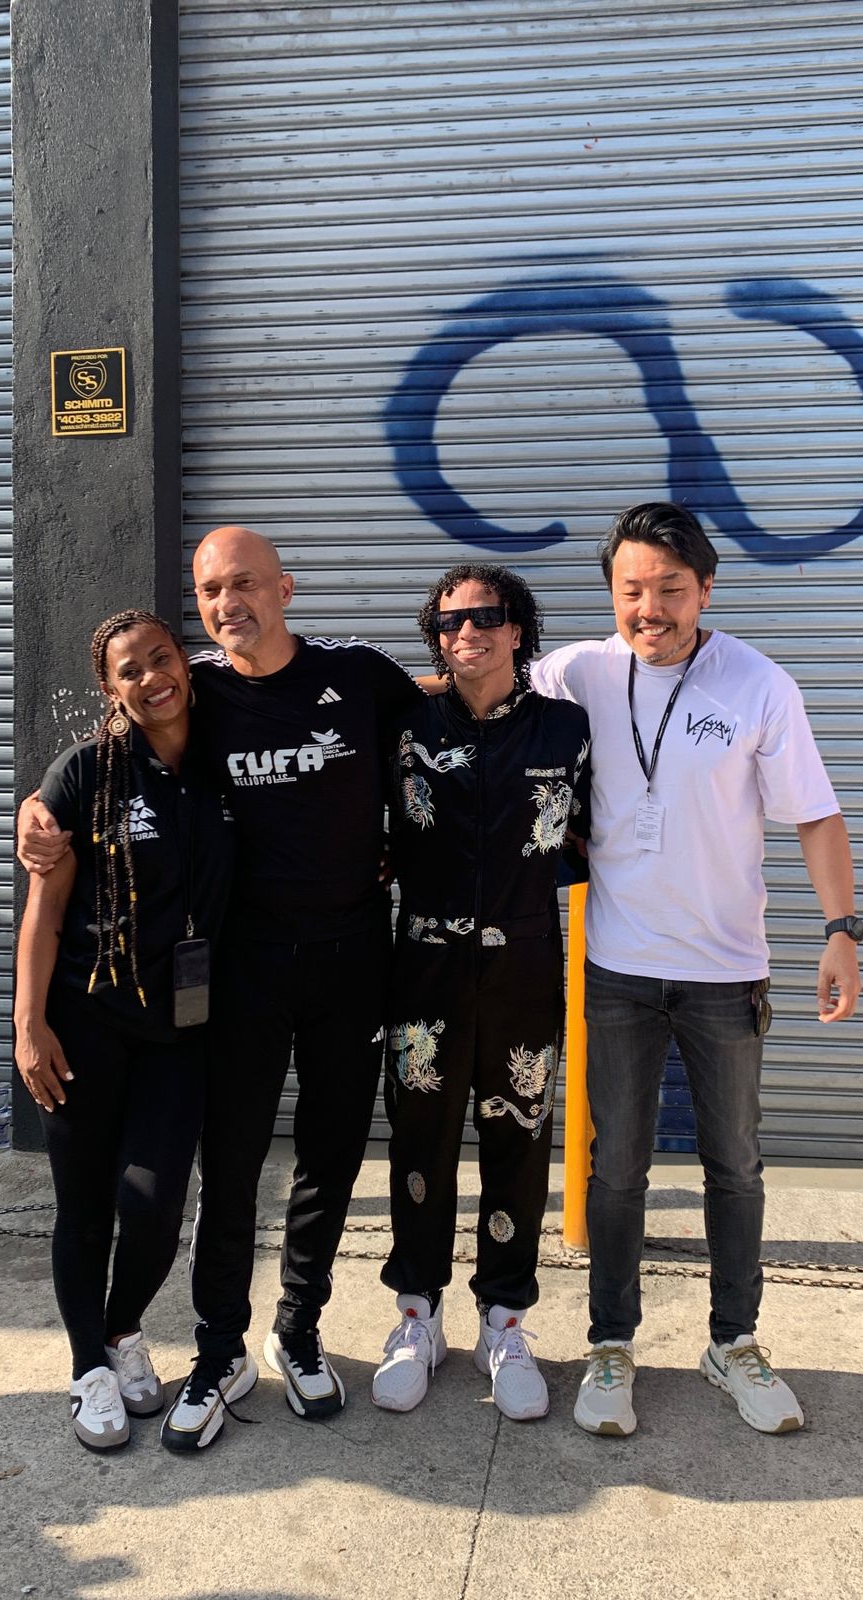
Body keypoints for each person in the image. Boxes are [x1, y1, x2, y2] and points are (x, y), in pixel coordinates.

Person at [19, 527, 422, 1450]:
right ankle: (215, 1347)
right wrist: (35, 813)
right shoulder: (194, 692)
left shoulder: (357, 675)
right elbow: (103, 759)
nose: (228, 602)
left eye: (244, 583)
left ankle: (300, 1330)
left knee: (327, 1155)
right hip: (235, 975)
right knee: (230, 1168)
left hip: (352, 957)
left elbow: (439, 706)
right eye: (210, 589)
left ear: (285, 587)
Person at [528, 501, 863, 1437]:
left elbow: (817, 815)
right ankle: (609, 1345)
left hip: (726, 972)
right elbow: (471, 685)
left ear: (705, 590)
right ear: (611, 595)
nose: (650, 609)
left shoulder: (758, 684)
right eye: (632, 590)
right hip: (619, 971)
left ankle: (734, 1341)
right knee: (616, 1167)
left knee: (737, 1168)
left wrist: (841, 929)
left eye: (670, 590)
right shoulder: (578, 672)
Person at [371, 564, 590, 1421]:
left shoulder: (568, 728)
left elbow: (598, 833)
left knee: (518, 1139)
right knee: (419, 1140)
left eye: (488, 617)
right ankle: (416, 1316)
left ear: (519, 629)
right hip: (422, 963)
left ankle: (505, 1319)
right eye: (451, 620)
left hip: (524, 966)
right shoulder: (402, 721)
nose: (470, 632)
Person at [13, 611, 233, 1451]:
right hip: (85, 1023)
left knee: (154, 1204)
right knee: (86, 1206)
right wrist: (28, 1025)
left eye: (162, 658)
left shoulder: (226, 755)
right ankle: (88, 1369)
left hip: (180, 1028)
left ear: (187, 661)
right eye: (130, 670)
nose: (152, 678)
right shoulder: (84, 774)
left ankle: (118, 1326)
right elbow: (45, 910)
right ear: (110, 688)